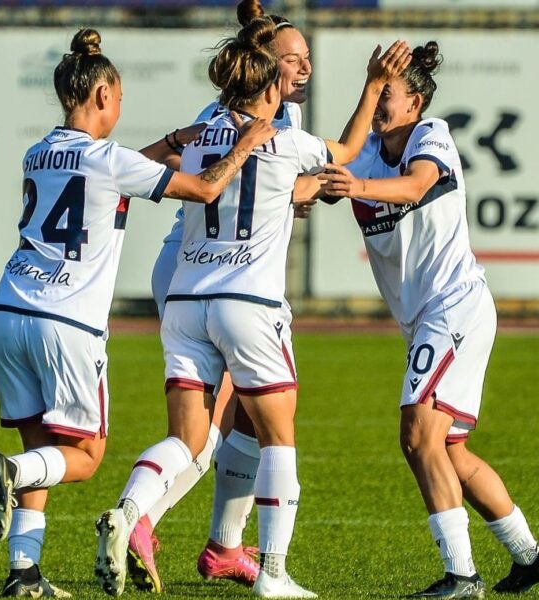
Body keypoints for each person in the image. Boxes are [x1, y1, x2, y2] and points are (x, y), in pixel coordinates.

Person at [95, 17, 410, 599]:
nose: (301, 69)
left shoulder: (200, 138)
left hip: (188, 300)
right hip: (247, 301)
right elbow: (345, 151)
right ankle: (273, 572)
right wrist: (370, 87)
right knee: (278, 437)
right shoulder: (286, 138)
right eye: (289, 62)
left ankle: (132, 510)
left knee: (190, 436)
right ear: (268, 82)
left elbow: (163, 175)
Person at [0, 27, 276, 599]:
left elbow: (102, 174)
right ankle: (9, 477)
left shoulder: (38, 152)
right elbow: (205, 189)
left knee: (44, 447)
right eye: (118, 97)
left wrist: (169, 141)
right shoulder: (109, 159)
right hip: (66, 321)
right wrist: (245, 146)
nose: (120, 107)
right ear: (101, 97)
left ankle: (23, 572)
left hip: (9, 308)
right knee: (85, 457)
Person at [319, 41, 539, 598]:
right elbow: (322, 175)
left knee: (418, 437)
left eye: (386, 93)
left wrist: (357, 187)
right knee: (450, 451)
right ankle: (531, 555)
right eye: (373, 92)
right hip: (425, 319)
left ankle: (461, 576)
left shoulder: (429, 133)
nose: (377, 104)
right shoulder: (365, 151)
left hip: (454, 306)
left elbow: (418, 183)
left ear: (415, 101)